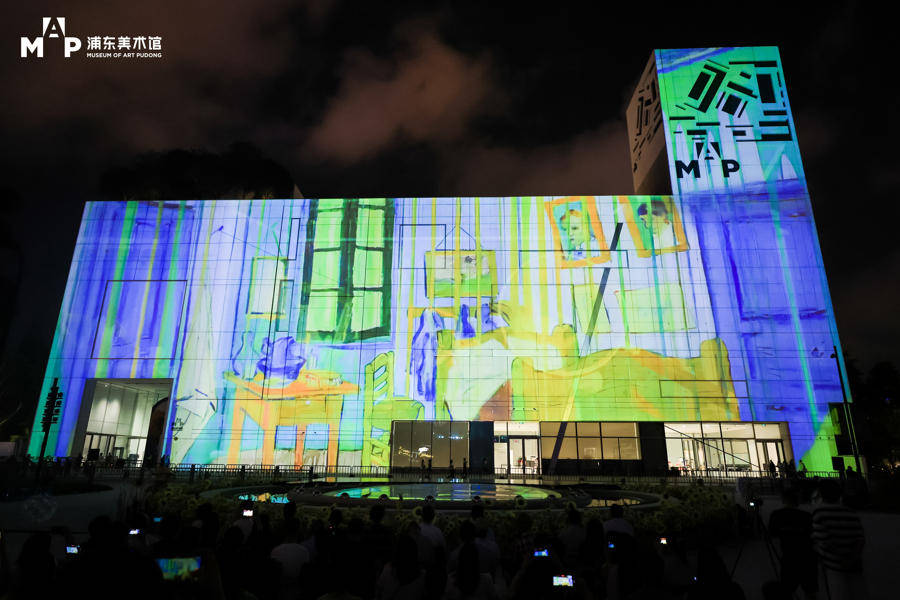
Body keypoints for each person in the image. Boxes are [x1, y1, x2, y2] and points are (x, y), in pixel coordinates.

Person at [812, 481, 867, 599]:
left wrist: (841, 558)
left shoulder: (820, 513)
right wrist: (852, 557)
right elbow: (860, 539)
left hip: (833, 564)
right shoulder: (851, 513)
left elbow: (824, 541)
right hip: (854, 563)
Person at [768, 488, 817, 599]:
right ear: (797, 500)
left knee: (786, 591)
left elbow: (771, 534)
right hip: (807, 558)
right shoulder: (806, 516)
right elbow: (813, 535)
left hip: (789, 557)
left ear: (783, 499)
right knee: (810, 592)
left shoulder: (777, 515)